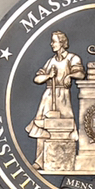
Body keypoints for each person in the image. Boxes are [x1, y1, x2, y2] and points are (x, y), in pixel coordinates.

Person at [25, 30, 85, 169]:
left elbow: (81, 74)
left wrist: (69, 75)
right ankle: (39, 161)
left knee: (64, 127)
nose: (51, 44)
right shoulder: (50, 61)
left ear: (62, 43)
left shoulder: (72, 58)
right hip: (48, 96)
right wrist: (48, 76)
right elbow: (37, 79)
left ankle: (65, 160)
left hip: (63, 97)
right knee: (42, 127)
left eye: (54, 41)